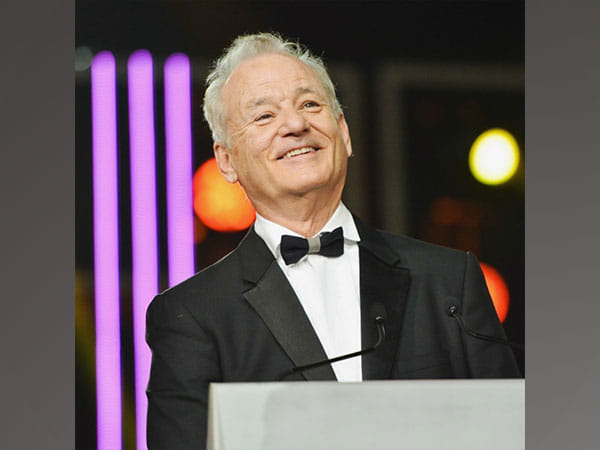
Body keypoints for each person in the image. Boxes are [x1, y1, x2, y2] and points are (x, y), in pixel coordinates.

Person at [146, 32, 521, 449]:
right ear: (227, 160)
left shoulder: (449, 281)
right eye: (264, 116)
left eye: (310, 104)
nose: (295, 125)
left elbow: (508, 432)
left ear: (343, 132)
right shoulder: (192, 315)